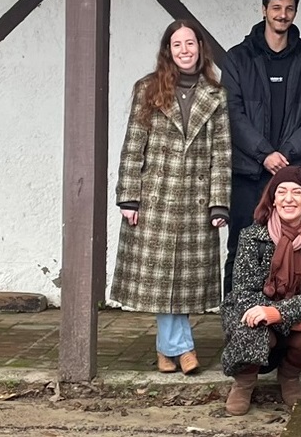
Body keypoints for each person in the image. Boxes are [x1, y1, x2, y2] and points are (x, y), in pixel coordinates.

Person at [111, 19, 231, 375]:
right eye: (177, 44)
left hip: (196, 200)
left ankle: (167, 350)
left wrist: (219, 202)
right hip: (156, 198)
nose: (184, 50)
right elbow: (133, 147)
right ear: (168, 50)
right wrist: (129, 197)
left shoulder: (215, 95)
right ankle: (182, 347)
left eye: (190, 44)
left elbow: (222, 153)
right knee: (165, 278)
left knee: (183, 281)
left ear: (200, 48)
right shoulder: (148, 89)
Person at [221, 0, 301, 293]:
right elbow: (232, 112)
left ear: (295, 13)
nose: (282, 15)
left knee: (292, 248)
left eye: (289, 9)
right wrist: (264, 153)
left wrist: (285, 157)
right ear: (264, 10)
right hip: (248, 172)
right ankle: (236, 325)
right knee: (241, 249)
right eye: (276, 8)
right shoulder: (238, 58)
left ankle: (284, 324)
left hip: (292, 176)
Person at [220, 166, 301, 415]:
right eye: (281, 191)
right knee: (250, 327)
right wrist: (290, 321)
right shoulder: (251, 236)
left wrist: (278, 315)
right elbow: (243, 292)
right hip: (256, 313)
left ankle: (289, 376)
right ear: (272, 199)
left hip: (285, 315)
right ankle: (244, 383)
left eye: (297, 192)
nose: (288, 198)